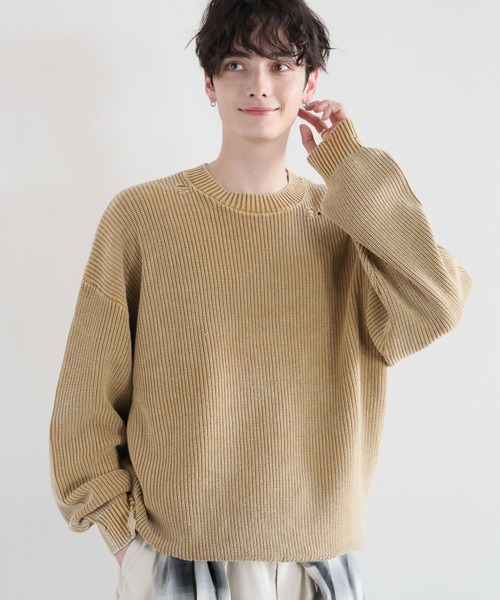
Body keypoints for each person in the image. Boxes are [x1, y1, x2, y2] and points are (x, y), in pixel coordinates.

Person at [49, 0, 472, 598]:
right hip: (179, 560)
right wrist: (129, 544)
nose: (258, 85)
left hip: (316, 563)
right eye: (236, 64)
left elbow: (438, 301)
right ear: (209, 83)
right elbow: (85, 403)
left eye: (280, 65)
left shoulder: (346, 225)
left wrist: (349, 165)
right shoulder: (142, 218)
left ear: (310, 82)